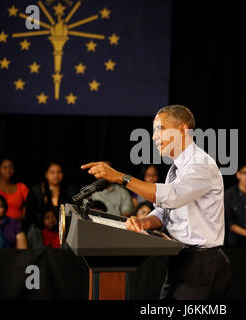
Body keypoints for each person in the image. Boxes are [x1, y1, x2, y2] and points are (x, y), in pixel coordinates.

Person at [81, 105, 231, 300]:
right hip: (181, 262)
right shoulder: (176, 168)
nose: (154, 137)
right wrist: (145, 222)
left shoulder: (201, 165)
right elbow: (164, 210)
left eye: (160, 129)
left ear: (183, 129)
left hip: (203, 265)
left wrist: (120, 178)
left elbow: (173, 196)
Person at [25, 161, 76, 231]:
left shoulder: (70, 190)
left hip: (64, 226)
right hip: (41, 228)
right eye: (52, 172)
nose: (56, 175)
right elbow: (30, 214)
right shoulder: (37, 191)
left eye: (59, 172)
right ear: (46, 174)